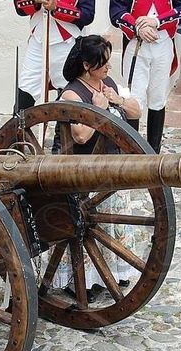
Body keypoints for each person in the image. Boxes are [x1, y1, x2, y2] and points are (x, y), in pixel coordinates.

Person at [52, 35, 141, 294]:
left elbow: (136, 112)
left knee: (113, 224)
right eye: (103, 64)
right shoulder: (72, 92)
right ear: (87, 65)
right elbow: (80, 135)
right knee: (91, 228)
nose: (108, 68)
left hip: (112, 167)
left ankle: (113, 272)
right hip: (84, 172)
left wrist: (118, 101)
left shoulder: (108, 84)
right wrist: (99, 111)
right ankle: (85, 280)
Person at [110, 0, 181, 152]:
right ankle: (131, 151)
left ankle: (154, 151)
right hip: (135, 42)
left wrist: (157, 21)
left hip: (163, 42)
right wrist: (137, 27)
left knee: (158, 99)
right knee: (133, 99)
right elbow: (116, 11)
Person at [14, 0, 95, 153]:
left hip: (67, 41)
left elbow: (87, 15)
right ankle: (18, 140)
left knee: (67, 94)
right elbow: (19, 7)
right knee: (25, 90)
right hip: (38, 38)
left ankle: (62, 143)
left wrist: (58, 7)